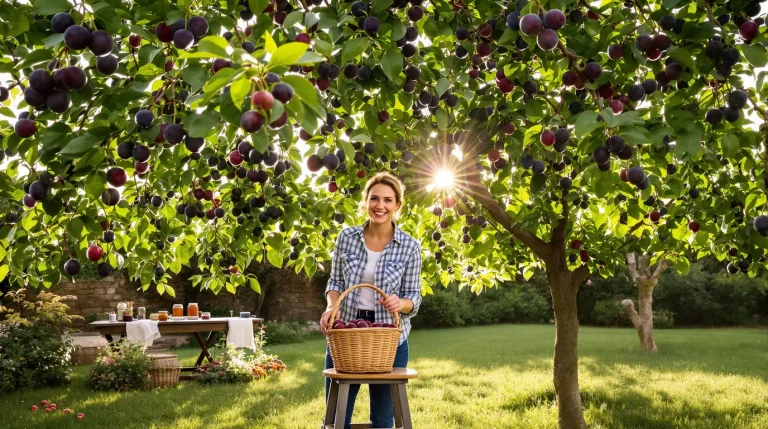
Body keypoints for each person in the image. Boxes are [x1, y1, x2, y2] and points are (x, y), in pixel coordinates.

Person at [320, 171, 423, 429]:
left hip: (388, 339)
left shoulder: (410, 246)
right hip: (347, 334)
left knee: (383, 417)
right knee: (337, 415)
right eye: (374, 198)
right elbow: (335, 283)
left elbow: (414, 296)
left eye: (388, 200)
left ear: (397, 205)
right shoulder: (346, 238)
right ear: (365, 201)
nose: (380, 206)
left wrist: (401, 304)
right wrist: (332, 306)